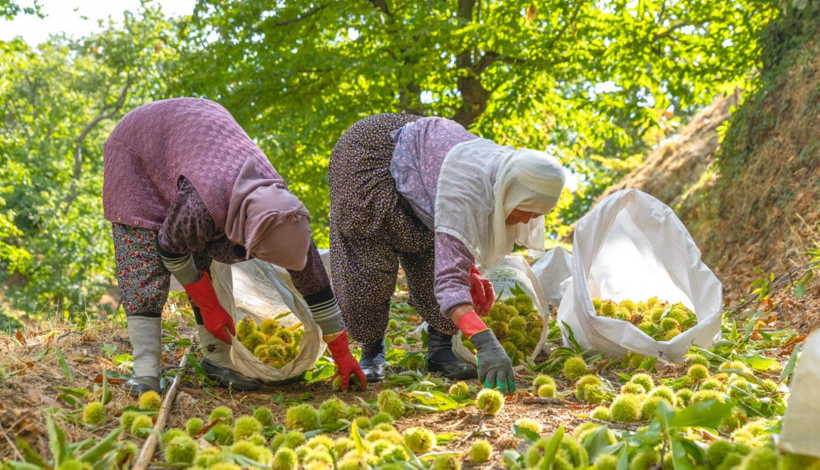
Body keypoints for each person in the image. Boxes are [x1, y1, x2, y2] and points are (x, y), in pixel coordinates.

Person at [102, 97, 366, 395]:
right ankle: (146, 368)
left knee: (203, 258)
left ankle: (217, 360)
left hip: (198, 139)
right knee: (144, 264)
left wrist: (341, 350)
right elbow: (170, 249)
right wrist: (208, 304)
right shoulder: (203, 204)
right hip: (138, 145)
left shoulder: (283, 211)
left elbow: (312, 278)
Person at [328, 113, 565, 393]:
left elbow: (454, 242)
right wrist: (484, 340)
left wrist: (471, 272)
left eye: (535, 216)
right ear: (511, 194)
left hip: (424, 160)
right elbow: (449, 281)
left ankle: (440, 350)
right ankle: (371, 349)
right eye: (525, 212)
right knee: (370, 255)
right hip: (370, 153)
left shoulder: (504, 175)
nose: (526, 222)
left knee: (430, 248)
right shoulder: (465, 190)